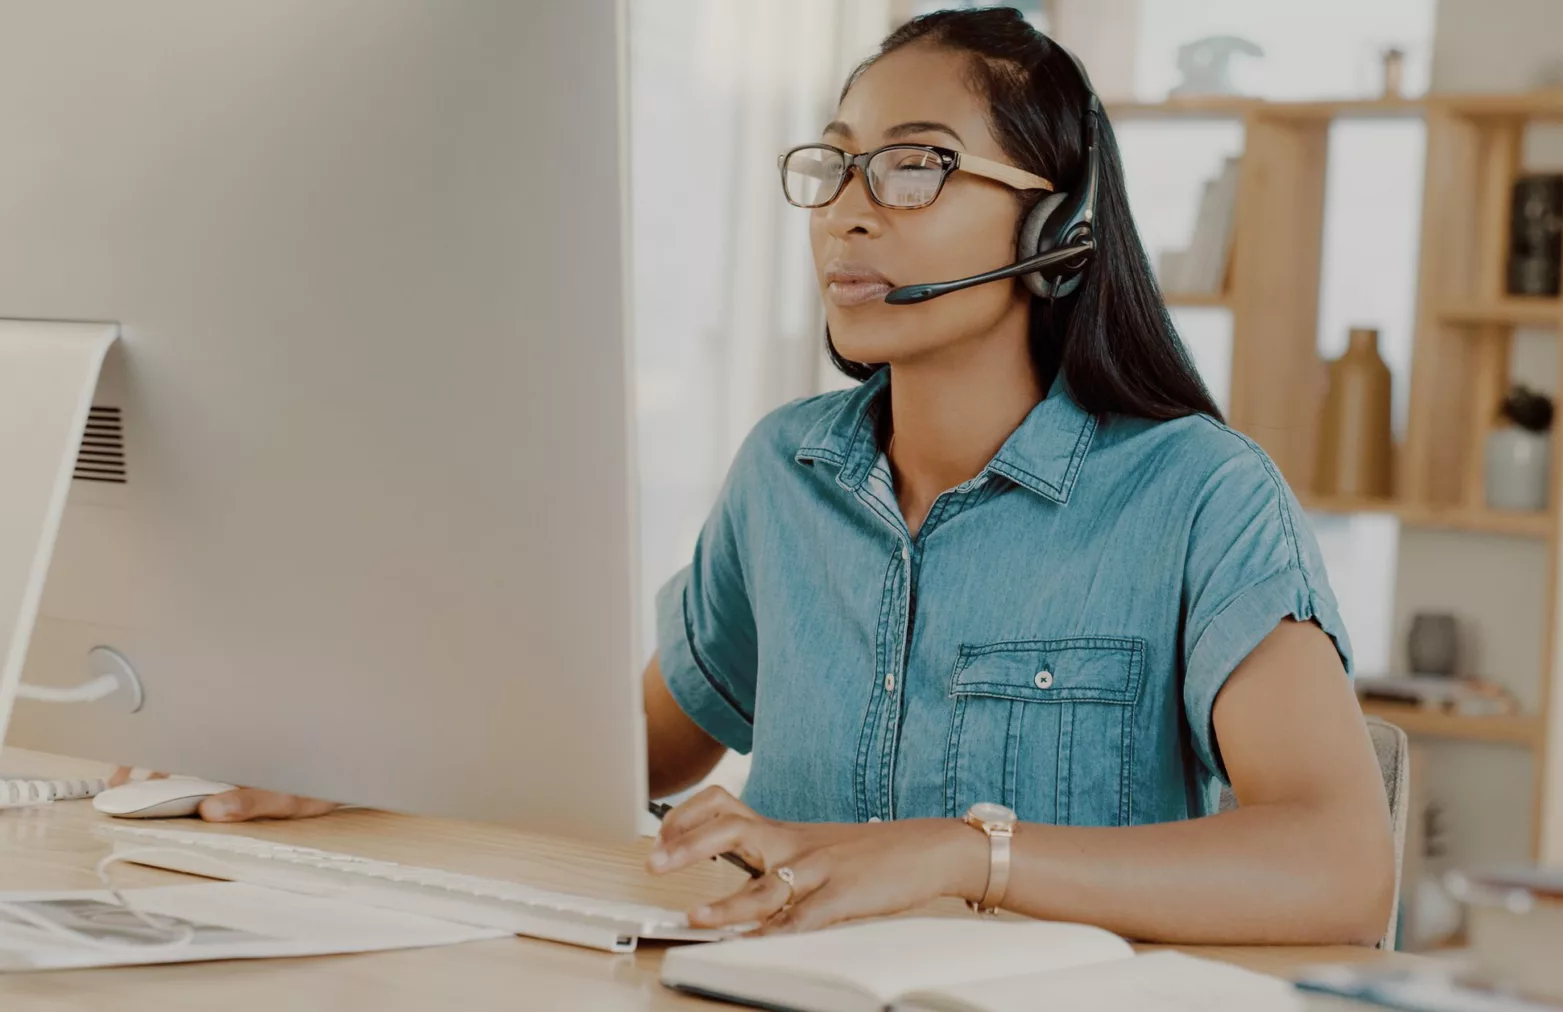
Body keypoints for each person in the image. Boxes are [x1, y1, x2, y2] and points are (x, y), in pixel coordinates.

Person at [196, 8, 1394, 946]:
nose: (847, 216)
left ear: (1054, 231)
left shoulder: (1198, 495)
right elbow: (637, 754)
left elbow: (1342, 867)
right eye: (836, 165)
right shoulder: (786, 471)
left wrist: (966, 852)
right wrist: (363, 771)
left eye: (914, 168)